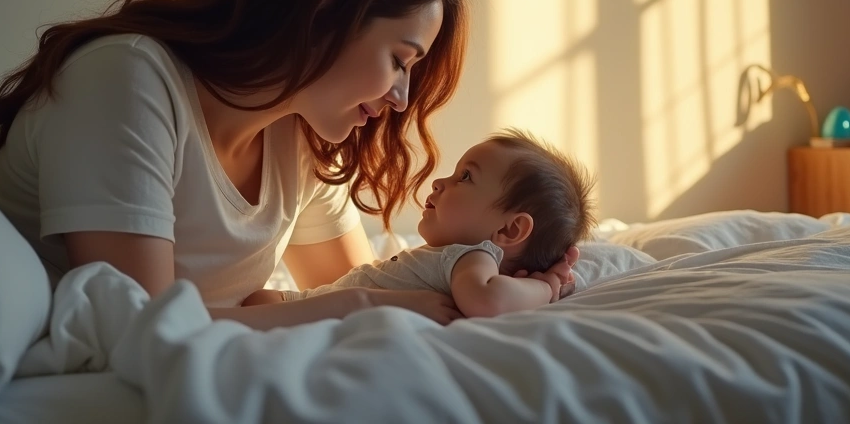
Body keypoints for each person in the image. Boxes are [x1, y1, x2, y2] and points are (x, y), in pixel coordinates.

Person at [0, 0, 576, 329]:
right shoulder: (126, 78)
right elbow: (139, 326)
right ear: (324, 19)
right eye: (399, 59)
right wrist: (361, 306)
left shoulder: (300, 133)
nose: (400, 98)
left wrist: (519, 278)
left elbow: (376, 285)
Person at [243, 129, 596, 317]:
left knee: (255, 306)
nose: (440, 182)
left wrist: (546, 287)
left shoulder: (474, 256)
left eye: (465, 177)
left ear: (509, 230)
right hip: (323, 301)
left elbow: (487, 300)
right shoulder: (460, 258)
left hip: (322, 312)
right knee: (256, 302)